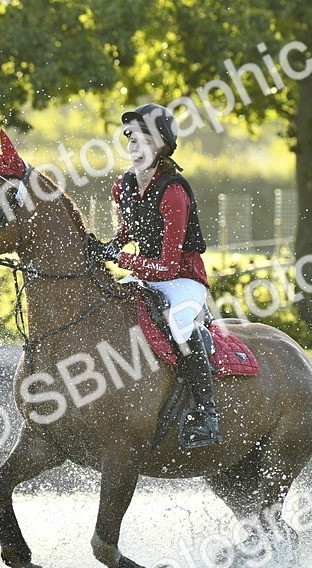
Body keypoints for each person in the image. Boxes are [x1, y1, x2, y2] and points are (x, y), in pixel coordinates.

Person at [91, 103, 221, 449]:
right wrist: (102, 247)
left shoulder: (174, 192)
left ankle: (207, 415)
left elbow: (167, 266)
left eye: (144, 140)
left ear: (162, 146)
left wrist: (121, 258)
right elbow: (126, 233)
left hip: (182, 280)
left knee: (180, 324)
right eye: (131, 138)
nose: (135, 147)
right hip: (147, 275)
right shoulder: (124, 187)